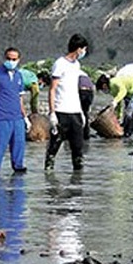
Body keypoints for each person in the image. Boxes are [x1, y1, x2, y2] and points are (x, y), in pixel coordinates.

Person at [45, 34, 89, 171]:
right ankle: (49, 175)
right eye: (84, 49)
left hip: (75, 111)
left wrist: (81, 111)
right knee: (54, 146)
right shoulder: (60, 64)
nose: (84, 52)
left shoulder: (77, 65)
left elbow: (74, 89)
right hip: (61, 111)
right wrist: (52, 113)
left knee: (78, 148)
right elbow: (52, 89)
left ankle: (77, 182)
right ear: (78, 49)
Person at [0, 47, 30, 173]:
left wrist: (25, 117)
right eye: (8, 59)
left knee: (19, 148)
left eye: (14, 59)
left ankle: (18, 172)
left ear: (19, 60)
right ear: (4, 58)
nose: (11, 61)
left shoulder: (19, 76)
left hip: (17, 118)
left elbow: (20, 99)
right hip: (2, 117)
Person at [78, 73, 96, 140]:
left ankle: (76, 133)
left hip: (81, 91)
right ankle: (86, 134)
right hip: (90, 92)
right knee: (85, 113)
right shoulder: (84, 74)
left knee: (76, 113)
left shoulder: (70, 73)